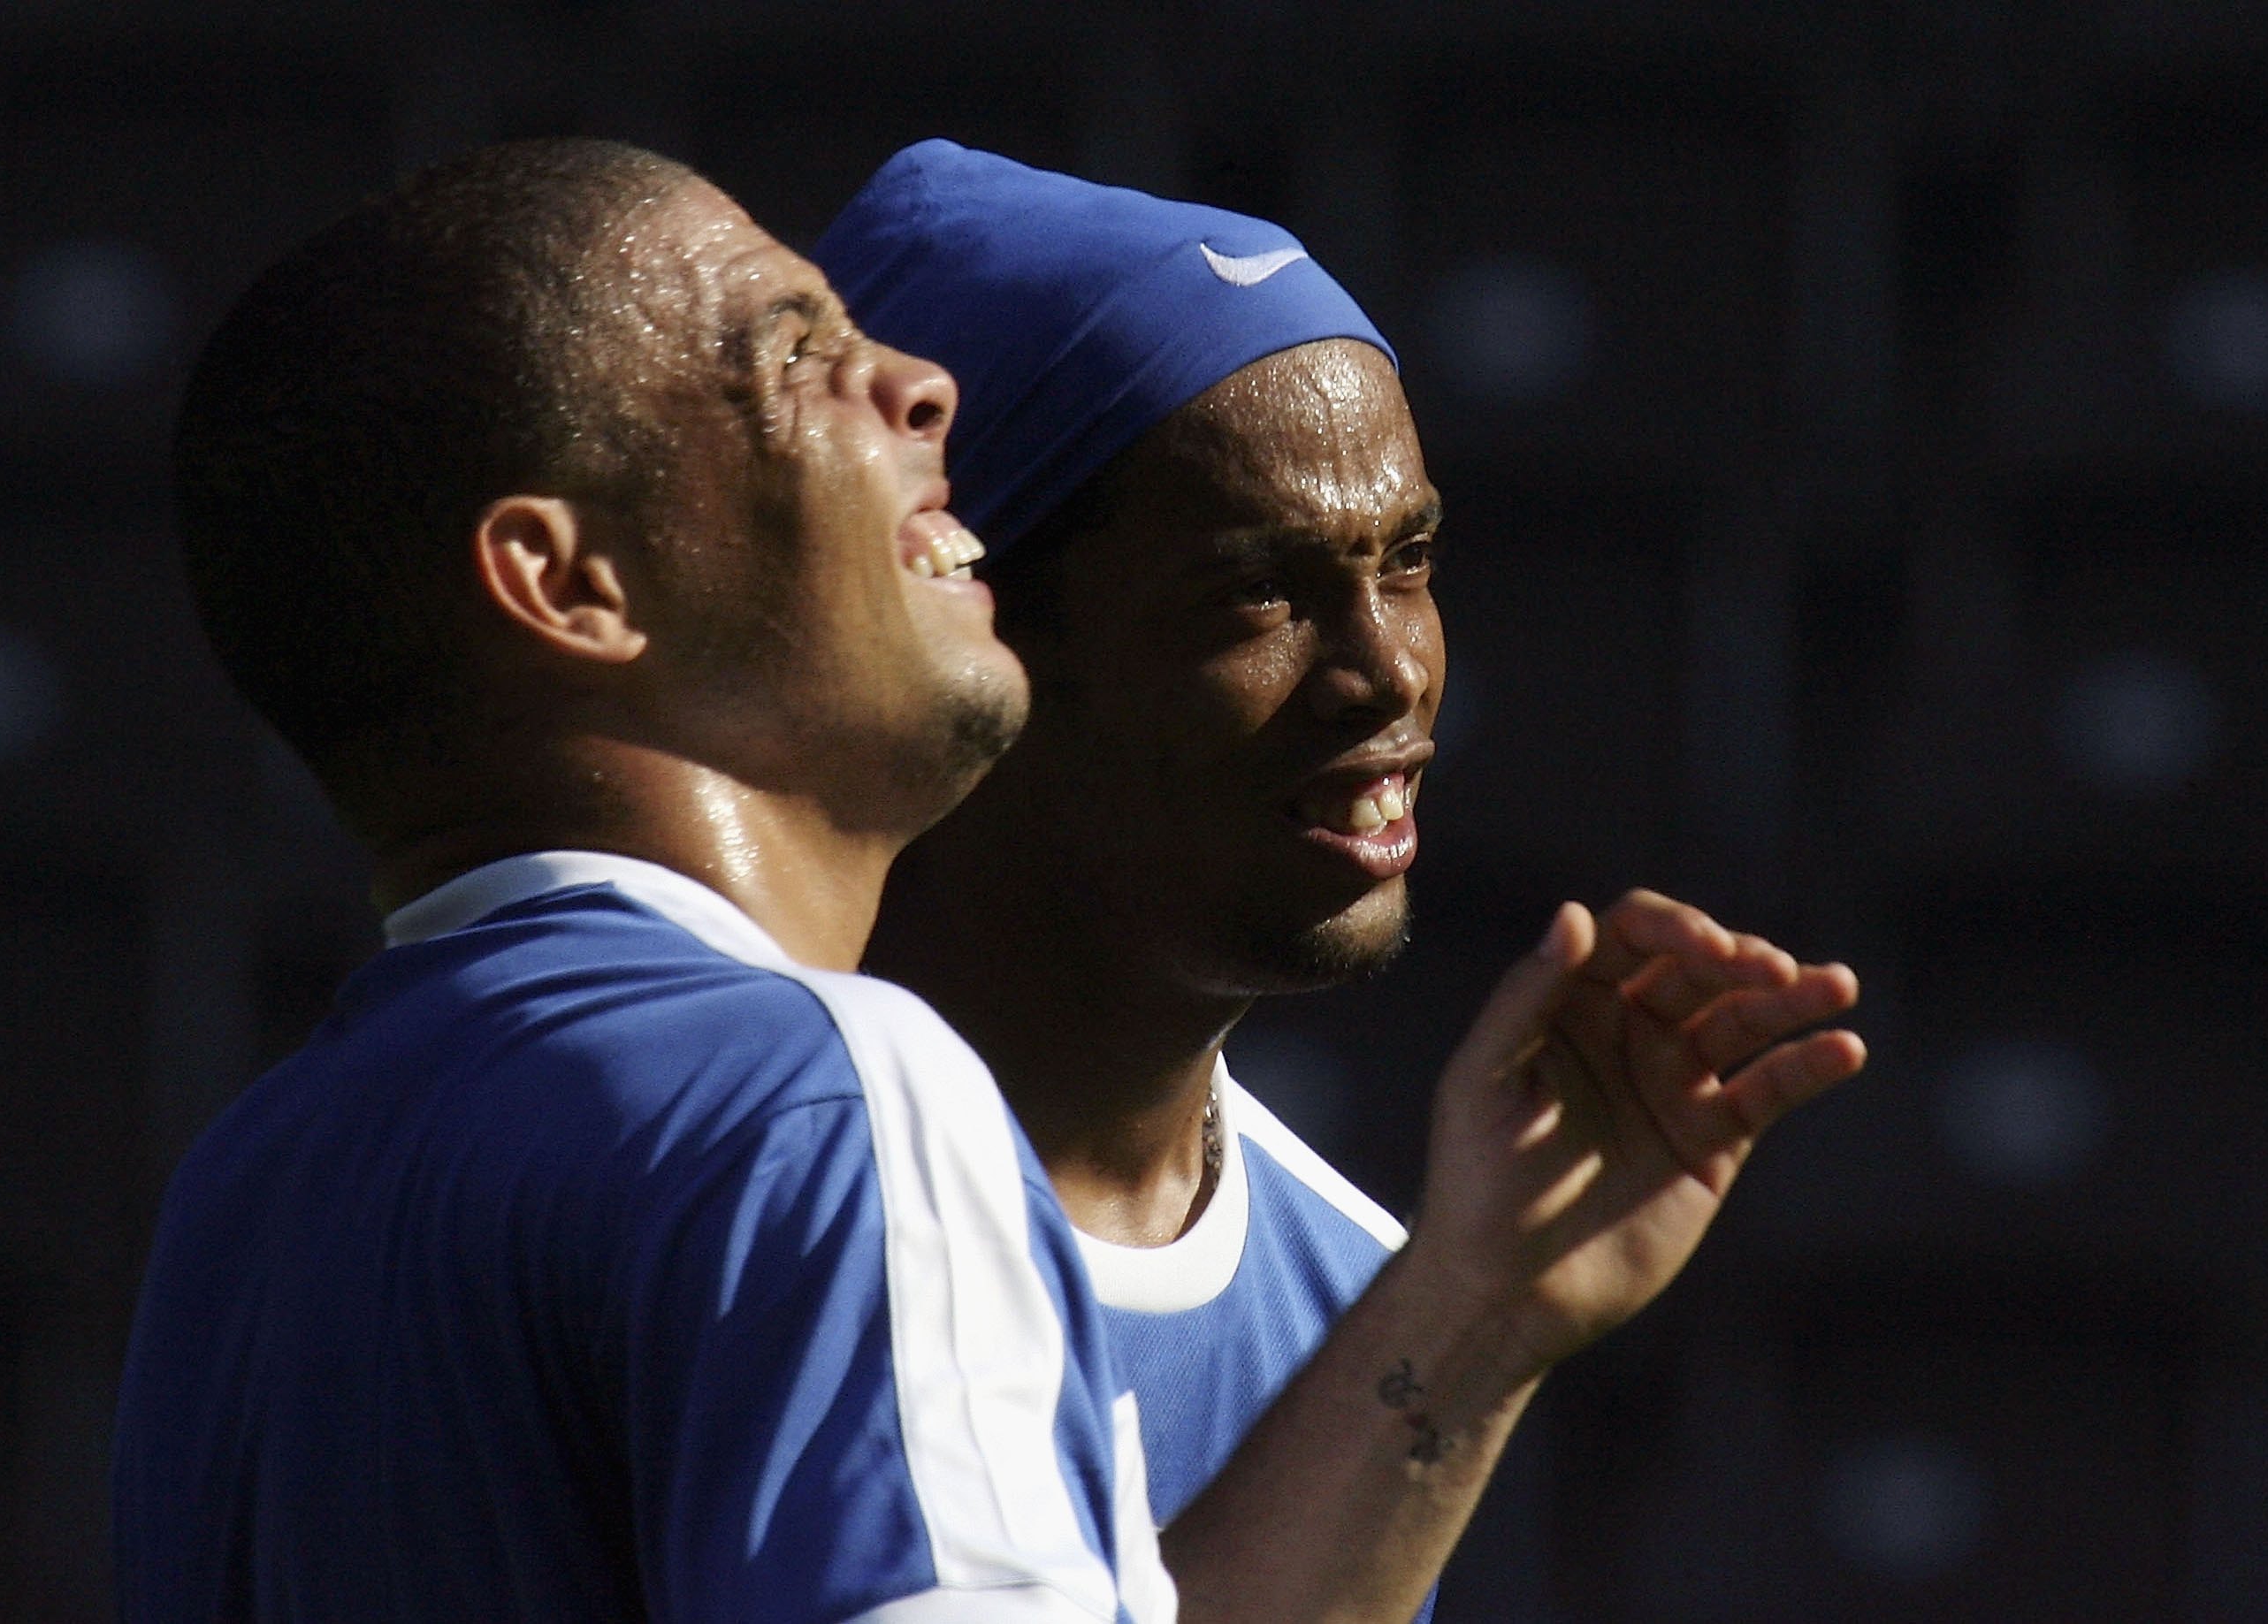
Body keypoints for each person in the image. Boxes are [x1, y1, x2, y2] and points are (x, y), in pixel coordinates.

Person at [113, 137, 1177, 1622]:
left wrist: (1458, 1318)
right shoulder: (815, 1093)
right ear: (568, 583)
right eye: (796, 357)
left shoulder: (244, 1193)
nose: (922, 384)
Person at [822, 141, 1869, 1621]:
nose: (1388, 671)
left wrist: (1475, 1313)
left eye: (1410, 560)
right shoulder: (729, 1183)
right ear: (968, 622)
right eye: (1259, 589)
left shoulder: (1366, 1303)